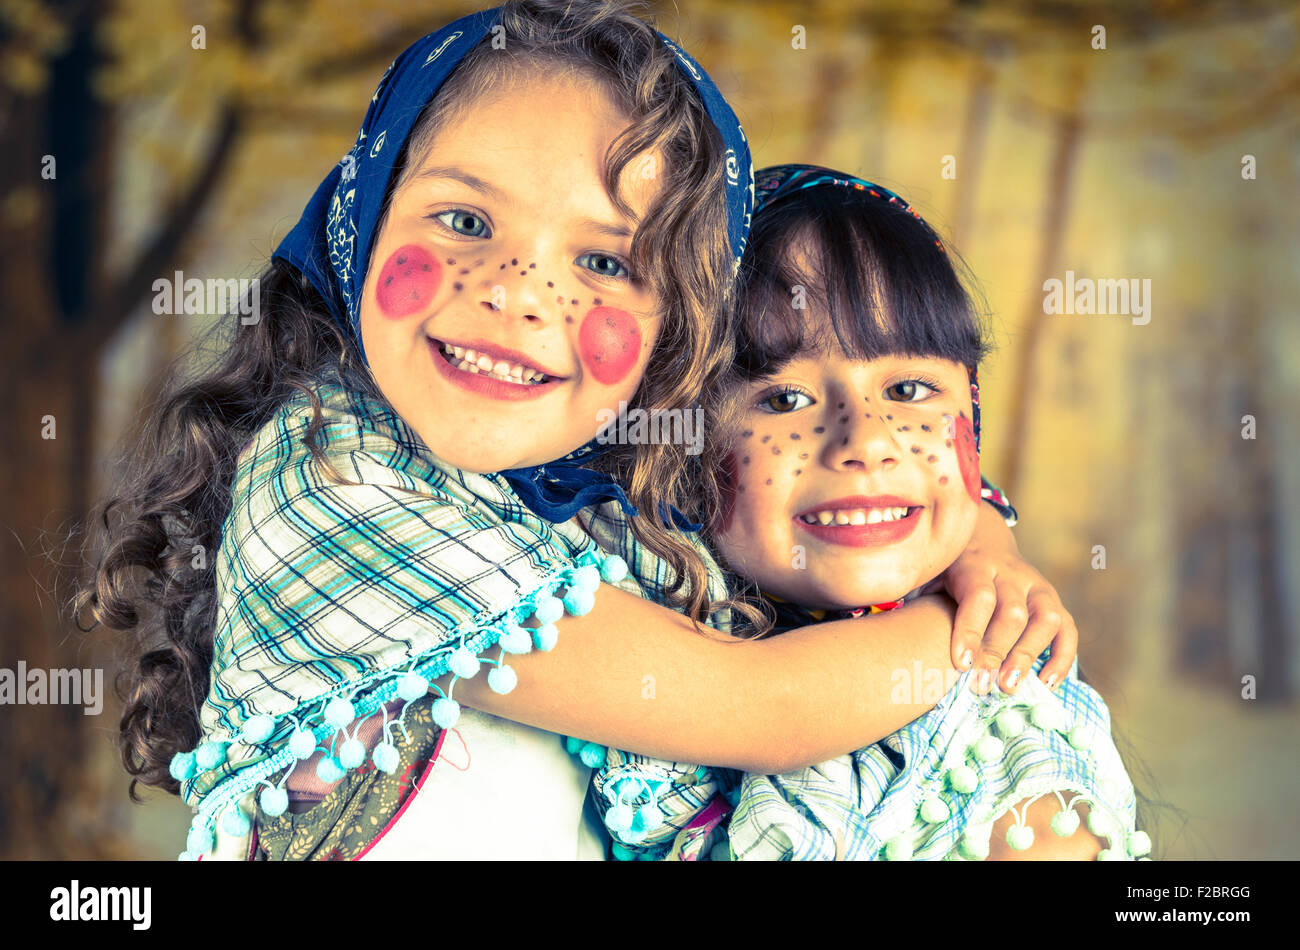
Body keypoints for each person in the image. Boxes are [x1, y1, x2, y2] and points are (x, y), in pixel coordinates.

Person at [79, 3, 1077, 861]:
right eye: (466, 222)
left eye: (603, 262)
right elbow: (757, 705)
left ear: (669, 336)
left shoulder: (584, 485)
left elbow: (832, 494)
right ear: (361, 218)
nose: (519, 297)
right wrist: (979, 632)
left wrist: (982, 538)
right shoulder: (331, 479)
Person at [589, 166, 1146, 861]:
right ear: (683, 442)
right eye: (783, 401)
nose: (867, 442)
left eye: (910, 388)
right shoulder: (620, 576)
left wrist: (980, 539)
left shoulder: (1003, 747)